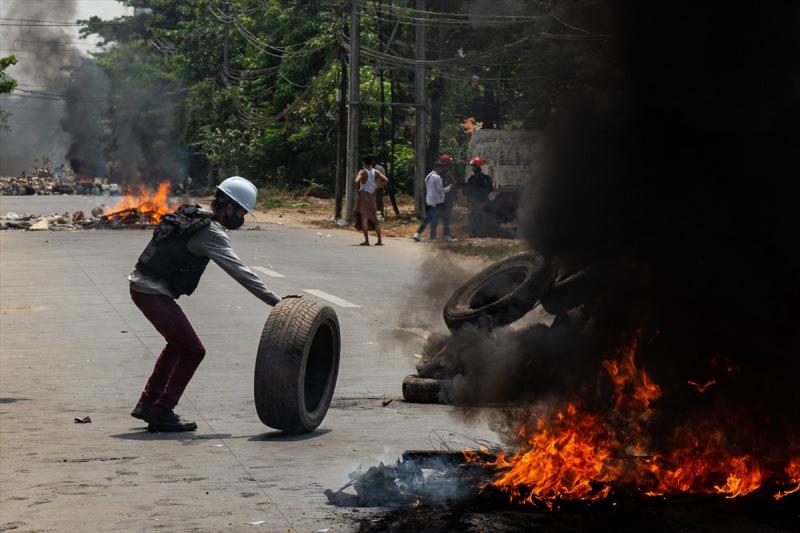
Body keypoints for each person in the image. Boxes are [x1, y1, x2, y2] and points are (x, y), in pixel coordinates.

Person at [128, 176, 300, 432]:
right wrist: (278, 303)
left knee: (178, 345)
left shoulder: (195, 214)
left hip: (144, 286)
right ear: (228, 207)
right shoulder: (212, 232)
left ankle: (148, 402)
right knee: (194, 350)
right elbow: (241, 273)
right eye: (241, 211)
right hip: (152, 292)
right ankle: (162, 411)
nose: (240, 218)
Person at [353, 155, 389, 246]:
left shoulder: (362, 172)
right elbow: (385, 180)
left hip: (364, 195)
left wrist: (358, 191)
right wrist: (376, 188)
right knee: (374, 219)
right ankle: (379, 241)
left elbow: (356, 181)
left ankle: (367, 241)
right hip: (372, 196)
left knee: (364, 218)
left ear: (364, 163)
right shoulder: (375, 171)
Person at [413, 160, 452, 242]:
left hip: (429, 201)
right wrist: (449, 188)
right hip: (437, 202)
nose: (442, 170)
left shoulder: (429, 175)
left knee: (429, 219)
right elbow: (440, 190)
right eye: (441, 168)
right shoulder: (437, 177)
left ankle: (419, 234)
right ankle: (445, 236)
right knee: (445, 218)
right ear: (438, 168)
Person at [464, 156, 493, 237]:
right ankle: (482, 232)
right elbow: (490, 189)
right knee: (482, 216)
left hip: (475, 201)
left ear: (475, 167)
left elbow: (466, 190)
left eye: (473, 167)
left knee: (474, 216)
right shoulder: (487, 178)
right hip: (484, 200)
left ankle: (474, 233)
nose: (472, 168)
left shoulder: (473, 179)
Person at [437, 154, 458, 243]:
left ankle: (446, 233)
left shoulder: (437, 173)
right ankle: (446, 235)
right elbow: (453, 184)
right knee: (447, 217)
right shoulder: (447, 173)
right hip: (447, 198)